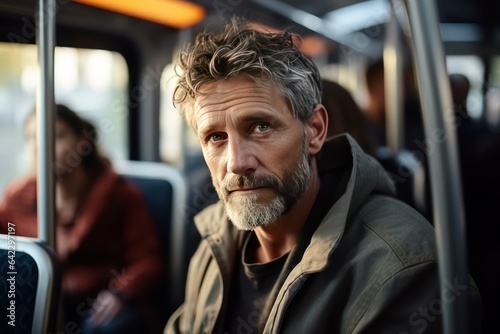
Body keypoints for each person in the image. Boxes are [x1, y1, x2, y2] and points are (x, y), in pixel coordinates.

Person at [165, 18, 482, 333]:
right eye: (216, 138)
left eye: (260, 127)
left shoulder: (400, 267)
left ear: (315, 130)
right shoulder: (215, 243)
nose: (236, 163)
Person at [0, 105, 164, 333]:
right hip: (39, 297)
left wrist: (120, 293)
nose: (39, 146)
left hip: (100, 300)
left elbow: (146, 259)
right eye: (30, 138)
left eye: (56, 136)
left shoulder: (120, 195)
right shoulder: (16, 197)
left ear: (82, 143)